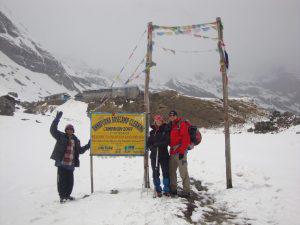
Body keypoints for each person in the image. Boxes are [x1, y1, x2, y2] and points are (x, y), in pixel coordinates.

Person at [50, 111, 90, 203]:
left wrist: (88, 145)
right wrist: (57, 119)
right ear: (65, 130)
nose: (69, 130)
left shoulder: (76, 140)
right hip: (62, 163)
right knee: (61, 181)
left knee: (70, 182)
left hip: (70, 165)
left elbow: (80, 151)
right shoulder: (60, 136)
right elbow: (53, 130)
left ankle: (67, 195)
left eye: (71, 129)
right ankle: (62, 196)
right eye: (68, 129)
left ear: (73, 131)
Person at [168, 110, 191, 198]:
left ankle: (186, 191)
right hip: (172, 152)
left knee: (183, 171)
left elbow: (186, 139)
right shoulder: (171, 125)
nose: (172, 117)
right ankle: (173, 190)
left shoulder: (181, 124)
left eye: (173, 115)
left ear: (176, 116)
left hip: (180, 152)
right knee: (172, 171)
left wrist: (182, 152)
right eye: (170, 115)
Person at [147, 115, 170, 197]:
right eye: (157, 120)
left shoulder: (166, 129)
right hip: (154, 155)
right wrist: (151, 147)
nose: (158, 121)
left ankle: (166, 189)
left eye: (159, 120)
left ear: (162, 121)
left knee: (166, 172)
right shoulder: (152, 132)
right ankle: (158, 189)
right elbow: (149, 142)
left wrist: (157, 145)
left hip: (163, 154)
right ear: (155, 121)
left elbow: (167, 141)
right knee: (155, 172)